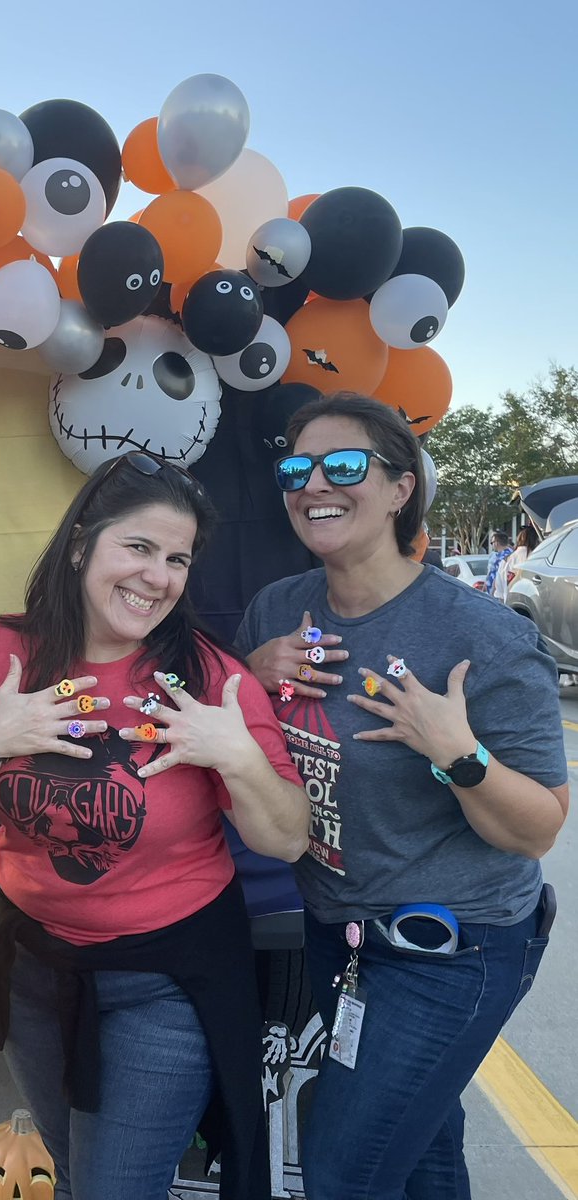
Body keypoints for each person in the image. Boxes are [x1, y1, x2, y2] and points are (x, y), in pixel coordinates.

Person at [236, 392, 569, 1200]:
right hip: (336, 933)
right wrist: (250, 675)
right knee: (419, 1152)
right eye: (295, 468)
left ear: (398, 490)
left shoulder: (478, 638)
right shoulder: (278, 611)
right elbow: (240, 740)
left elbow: (538, 830)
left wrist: (456, 753)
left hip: (454, 948)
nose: (314, 482)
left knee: (343, 1171)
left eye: (345, 464)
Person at [0, 450, 308, 1200]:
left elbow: (285, 838)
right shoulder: (4, 651)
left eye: (176, 559)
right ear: (81, 540)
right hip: (32, 967)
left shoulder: (211, 679)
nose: (157, 576)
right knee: (76, 1171)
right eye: (138, 547)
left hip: (164, 978)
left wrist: (235, 757)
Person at [501, 523, 541, 600]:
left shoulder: (508, 558)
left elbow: (499, 585)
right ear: (535, 539)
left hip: (510, 600)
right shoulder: (538, 557)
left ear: (519, 538)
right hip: (532, 599)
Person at [485, 527, 513, 599]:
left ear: (497, 542)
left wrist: (492, 592)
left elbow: (498, 575)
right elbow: (490, 573)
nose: (492, 545)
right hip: (493, 592)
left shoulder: (505, 557)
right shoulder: (496, 555)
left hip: (498, 593)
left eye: (492, 542)